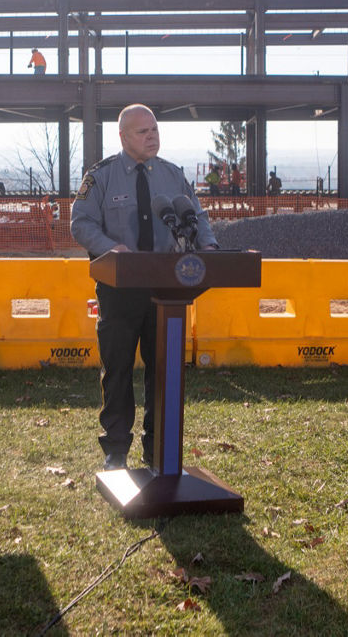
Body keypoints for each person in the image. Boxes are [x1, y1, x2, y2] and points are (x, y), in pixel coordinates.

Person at [71, 104, 218, 470]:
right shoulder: (101, 176)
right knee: (118, 370)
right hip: (119, 288)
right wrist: (110, 248)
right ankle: (116, 452)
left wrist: (209, 247)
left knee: (163, 371)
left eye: (154, 130)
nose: (151, 137)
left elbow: (195, 215)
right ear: (123, 136)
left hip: (167, 288)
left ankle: (159, 452)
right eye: (143, 132)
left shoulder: (172, 175)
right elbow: (81, 223)